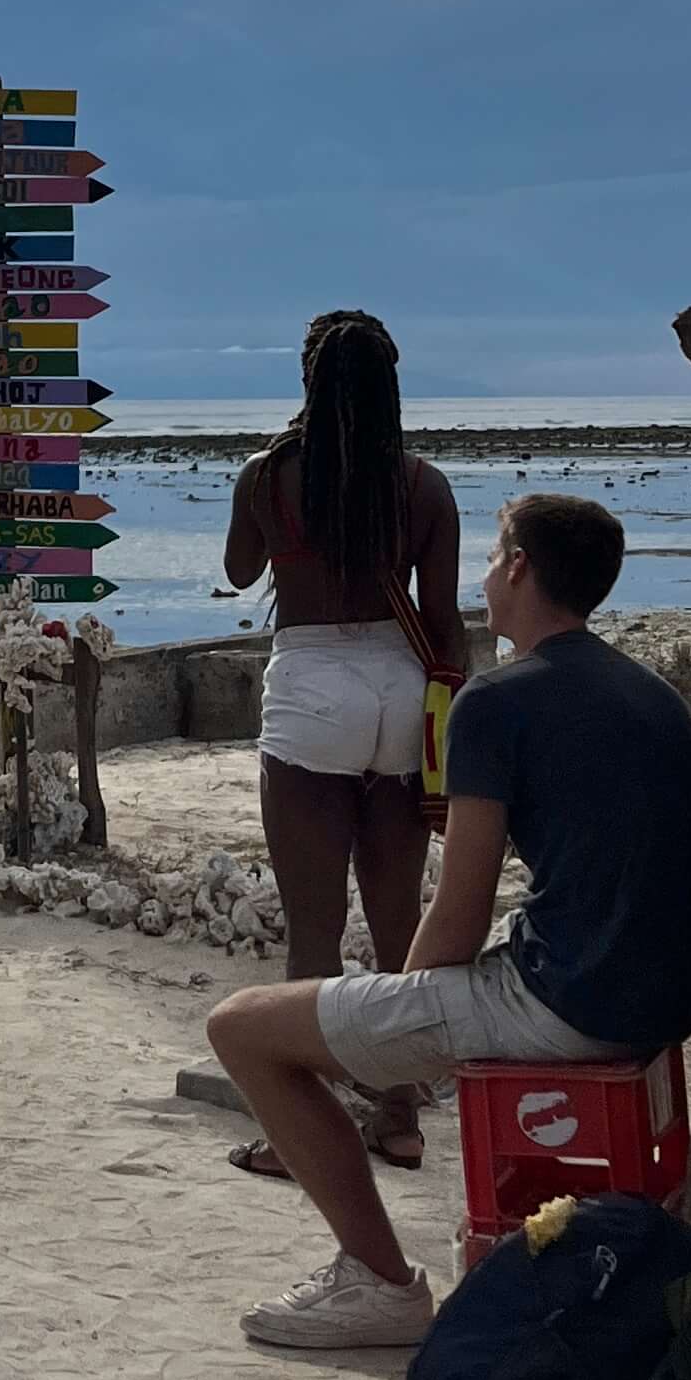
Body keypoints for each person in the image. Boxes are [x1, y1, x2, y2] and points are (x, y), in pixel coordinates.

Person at [206, 489, 691, 1352]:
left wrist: (389, 1039)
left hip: (568, 1005)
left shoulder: (497, 702)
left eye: (492, 558)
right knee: (380, 1011)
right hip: (666, 1000)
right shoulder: (648, 691)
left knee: (245, 1030)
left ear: (519, 568)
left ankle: (379, 1284)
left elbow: (458, 912)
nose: (485, 579)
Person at [221, 310, 464, 1173]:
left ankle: (306, 1133)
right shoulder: (424, 487)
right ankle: (399, 1115)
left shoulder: (268, 477)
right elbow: (445, 625)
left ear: (307, 382)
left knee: (314, 933)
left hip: (311, 685)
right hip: (399, 689)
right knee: (397, 923)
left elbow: (241, 571)